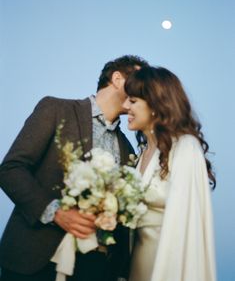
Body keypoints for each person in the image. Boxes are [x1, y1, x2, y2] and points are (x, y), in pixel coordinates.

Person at [0, 55, 149, 281]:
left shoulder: (128, 149)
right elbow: (11, 169)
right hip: (35, 261)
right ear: (117, 79)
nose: (145, 91)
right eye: (140, 82)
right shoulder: (56, 109)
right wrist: (56, 212)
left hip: (94, 269)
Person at [123, 66, 217, 281]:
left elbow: (188, 223)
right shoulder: (143, 153)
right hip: (136, 265)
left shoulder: (185, 147)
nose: (125, 105)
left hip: (170, 265)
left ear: (155, 105)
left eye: (133, 100)